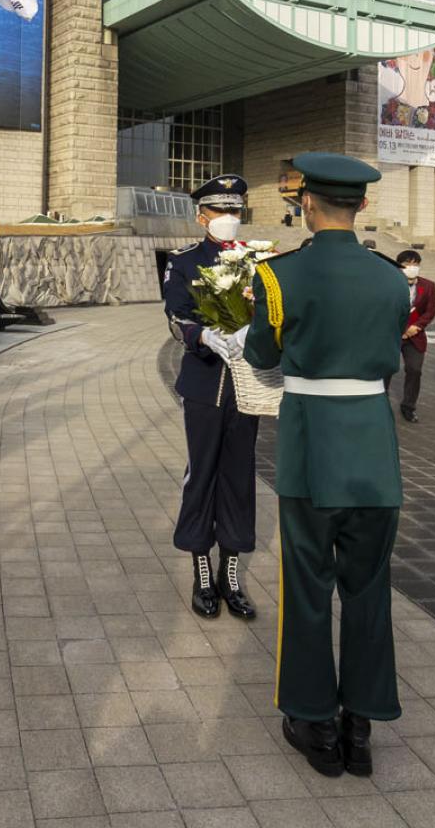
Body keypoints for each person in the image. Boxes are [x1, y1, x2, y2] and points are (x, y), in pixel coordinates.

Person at [243, 153, 408, 780]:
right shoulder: (393, 279)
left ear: (305, 204)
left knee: (307, 588)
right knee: (368, 589)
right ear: (362, 206)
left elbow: (261, 354)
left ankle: (313, 721)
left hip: (312, 448)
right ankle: (360, 728)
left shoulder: (279, 275)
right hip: (372, 451)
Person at [160, 173, 257, 620]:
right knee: (202, 472)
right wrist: (205, 337)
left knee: (238, 475)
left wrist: (253, 330)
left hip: (247, 385)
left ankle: (230, 572)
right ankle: (202, 569)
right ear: (202, 217)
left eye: (235, 211)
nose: (229, 219)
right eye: (220, 211)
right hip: (204, 382)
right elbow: (176, 317)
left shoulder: (259, 260)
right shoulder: (183, 262)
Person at [387, 250, 435, 423]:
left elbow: (430, 310)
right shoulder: (389, 283)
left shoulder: (428, 286)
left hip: (415, 335)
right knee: (386, 370)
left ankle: (408, 406)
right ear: (399, 266)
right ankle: (381, 405)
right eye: (407, 264)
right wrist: (400, 328)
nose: (412, 267)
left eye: (415, 264)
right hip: (393, 335)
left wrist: (417, 326)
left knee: (414, 370)